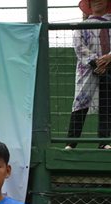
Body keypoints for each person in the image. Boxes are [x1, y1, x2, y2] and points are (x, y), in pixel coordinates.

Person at [66, 0, 111, 149]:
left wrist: (109, 58)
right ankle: (71, 143)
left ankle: (104, 142)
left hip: (110, 68)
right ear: (89, 4)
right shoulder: (82, 26)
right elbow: (79, 46)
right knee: (80, 104)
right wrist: (97, 62)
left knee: (107, 105)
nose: (98, 1)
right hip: (87, 70)